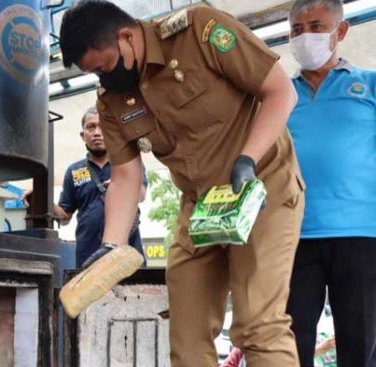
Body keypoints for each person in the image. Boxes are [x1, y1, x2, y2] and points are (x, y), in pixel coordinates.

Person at [59, 1, 304, 365]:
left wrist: (247, 158)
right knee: (186, 337)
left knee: (258, 326)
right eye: (93, 73)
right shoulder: (111, 100)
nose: (103, 79)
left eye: (104, 66)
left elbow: (280, 91)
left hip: (259, 186)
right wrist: (112, 245)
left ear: (126, 36)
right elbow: (126, 174)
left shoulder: (198, 32)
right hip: (201, 205)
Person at [285, 1, 376, 366]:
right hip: (293, 235)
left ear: (340, 31)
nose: (306, 35)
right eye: (296, 29)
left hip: (361, 233)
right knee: (291, 342)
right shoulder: (279, 94)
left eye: (316, 26)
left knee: (360, 342)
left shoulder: (369, 84)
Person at [24, 107, 147, 267]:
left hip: (127, 254)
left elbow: (141, 195)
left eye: (102, 127)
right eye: (91, 127)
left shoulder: (126, 163)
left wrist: (122, 189)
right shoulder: (74, 171)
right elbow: (65, 216)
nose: (97, 132)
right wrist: (43, 199)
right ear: (83, 135)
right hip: (88, 257)